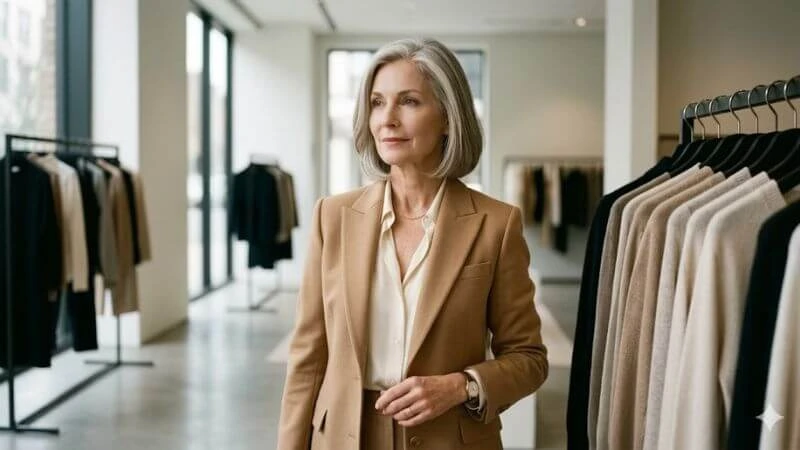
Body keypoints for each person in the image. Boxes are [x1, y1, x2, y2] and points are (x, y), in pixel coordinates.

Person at [277, 37, 548, 450]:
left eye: (408, 101)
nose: (387, 119)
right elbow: (308, 360)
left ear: (448, 118)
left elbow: (529, 358)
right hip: (343, 437)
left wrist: (461, 386)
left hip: (449, 438)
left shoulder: (496, 224)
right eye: (377, 102)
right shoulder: (331, 217)